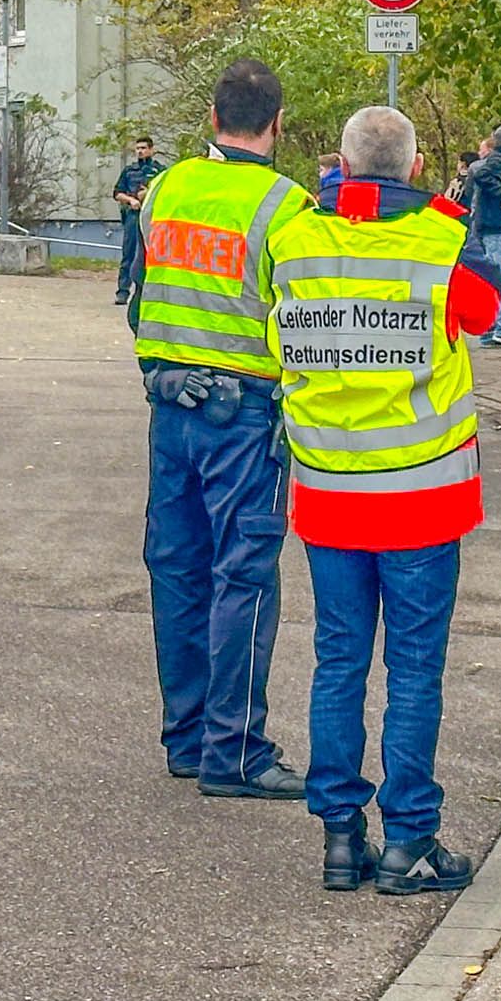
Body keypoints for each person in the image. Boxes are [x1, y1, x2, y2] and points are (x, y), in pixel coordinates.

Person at [266, 104, 501, 897]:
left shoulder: (295, 237)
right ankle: (410, 839)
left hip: (328, 488)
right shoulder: (440, 239)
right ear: (409, 167)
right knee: (412, 668)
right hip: (420, 493)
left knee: (338, 659)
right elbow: (486, 311)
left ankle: (340, 837)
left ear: (339, 159)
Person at [125, 60, 308, 799]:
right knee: (244, 575)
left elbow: (142, 296)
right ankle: (233, 749)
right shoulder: (286, 205)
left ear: (211, 116)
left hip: (170, 405)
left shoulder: (164, 188)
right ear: (277, 121)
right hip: (245, 415)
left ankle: (187, 735)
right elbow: (298, 316)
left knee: (176, 569)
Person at [467, 124, 501, 348]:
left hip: (488, 224)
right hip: (496, 225)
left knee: (499, 277)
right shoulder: (498, 161)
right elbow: (481, 173)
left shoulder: (496, 159)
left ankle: (491, 327)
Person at [110, 135, 165, 306]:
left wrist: (147, 194)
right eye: (138, 148)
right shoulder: (129, 171)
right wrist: (131, 200)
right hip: (133, 216)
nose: (140, 151)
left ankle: (146, 293)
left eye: (143, 148)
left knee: (150, 255)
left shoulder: (160, 171)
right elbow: (117, 193)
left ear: (151, 149)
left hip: (152, 217)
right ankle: (123, 291)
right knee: (129, 253)